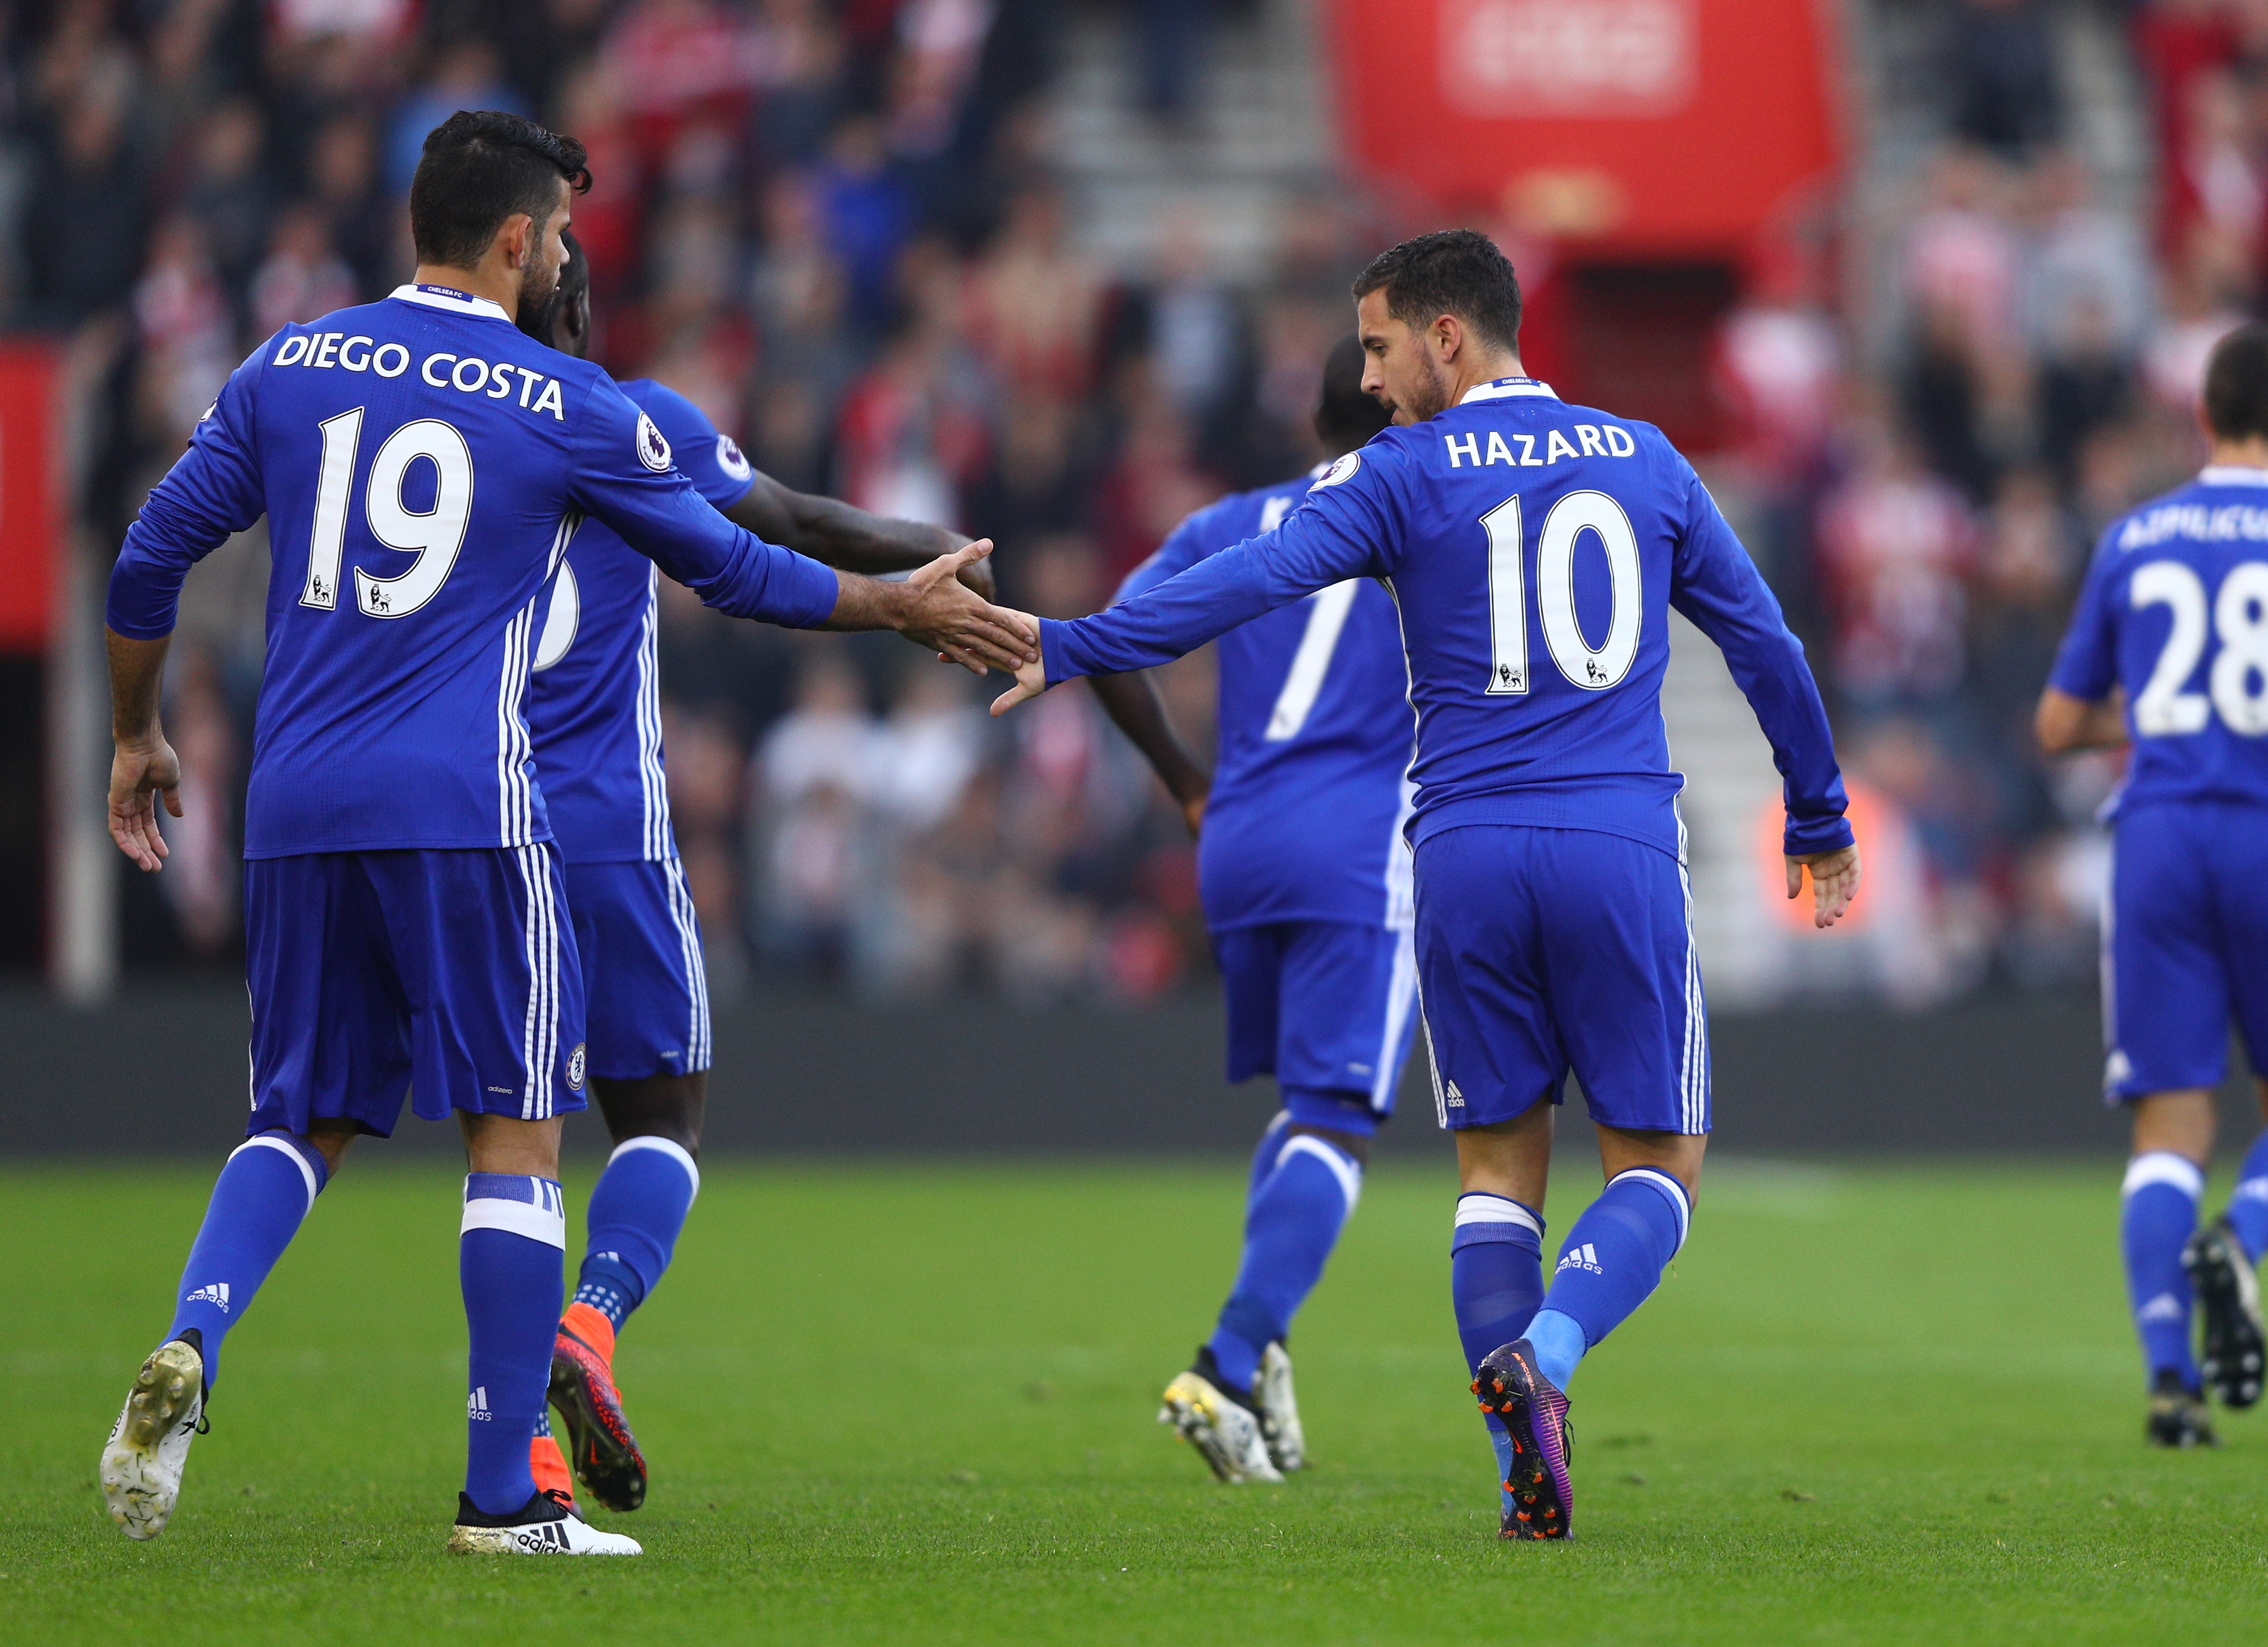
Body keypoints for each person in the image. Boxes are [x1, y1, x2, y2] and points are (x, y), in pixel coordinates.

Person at [95, 111, 1032, 1557]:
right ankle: (502, 1497)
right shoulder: (560, 401)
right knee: (519, 1131)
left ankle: (191, 1341)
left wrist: (138, 732)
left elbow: (151, 553)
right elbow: (740, 565)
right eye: (566, 238)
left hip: (292, 802)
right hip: (472, 805)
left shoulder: (290, 365)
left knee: (298, 1118)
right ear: (522, 240)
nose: (570, 261)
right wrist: (894, 603)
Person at [985, 230, 1859, 1538]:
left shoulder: (1403, 469)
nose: (1373, 381)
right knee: (1660, 1166)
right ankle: (1548, 1364)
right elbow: (1766, 641)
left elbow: (1245, 580)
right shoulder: (1646, 459)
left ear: (1448, 336)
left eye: (1382, 347)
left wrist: (1068, 644)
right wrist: (1818, 813)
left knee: (1496, 1171)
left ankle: (1519, 1463)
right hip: (1614, 844)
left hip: (1459, 858)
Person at [515, 230, 990, 1515]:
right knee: (663, 1121)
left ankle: (522, 1454)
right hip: (610, 823)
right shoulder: (638, 419)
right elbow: (782, 523)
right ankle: (592, 1328)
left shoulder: (445, 430)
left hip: (475, 829)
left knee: (512, 1149)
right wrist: (932, 547)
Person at [2036, 323, 2268, 1448]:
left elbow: (2055, 725)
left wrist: (2161, 714)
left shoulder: (2135, 538)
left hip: (2155, 840)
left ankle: (2169, 1383)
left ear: (2203, 417)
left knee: (2167, 1124)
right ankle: (2239, 1242)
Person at [1087, 338, 1413, 1483]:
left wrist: (1185, 782)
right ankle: (1226, 1364)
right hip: (1359, 846)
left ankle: (1262, 1345)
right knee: (1337, 1116)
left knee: (1302, 1104)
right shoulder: (1433, 514)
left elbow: (1116, 643)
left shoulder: (1234, 521)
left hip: (1239, 837)